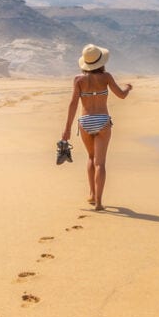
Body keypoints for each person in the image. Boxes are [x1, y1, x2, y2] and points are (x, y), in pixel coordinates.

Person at [62, 44, 132, 211]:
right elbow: (121, 96)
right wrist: (128, 88)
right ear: (100, 62)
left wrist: (67, 129)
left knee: (91, 158)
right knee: (100, 163)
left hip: (85, 121)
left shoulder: (78, 79)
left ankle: (92, 195)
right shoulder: (106, 77)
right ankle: (99, 203)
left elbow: (73, 104)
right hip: (102, 120)